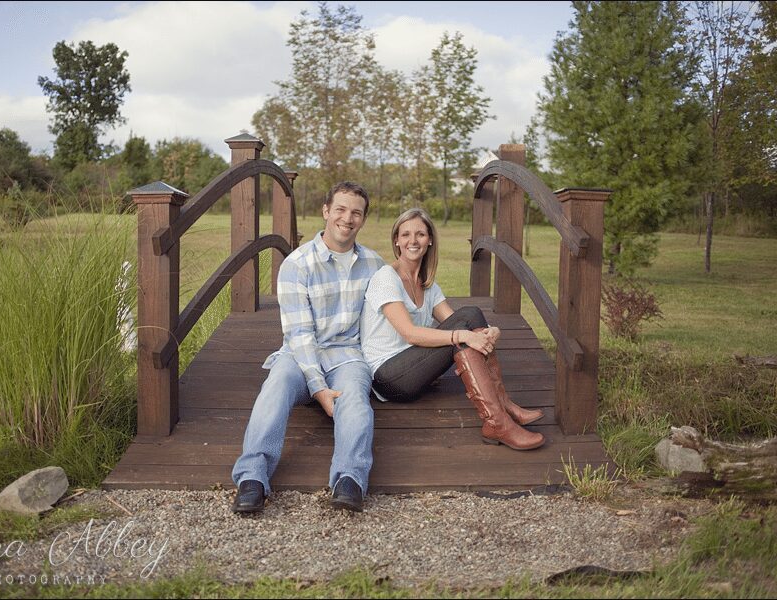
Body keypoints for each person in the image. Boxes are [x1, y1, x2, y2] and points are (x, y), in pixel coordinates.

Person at [231, 182, 385, 514]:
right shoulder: (297, 264)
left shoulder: (375, 264)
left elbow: (389, 315)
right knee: (277, 384)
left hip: (348, 357)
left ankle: (350, 479)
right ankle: (252, 478)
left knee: (356, 399)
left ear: (363, 219)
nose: (347, 218)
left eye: (356, 212)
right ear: (326, 211)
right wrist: (318, 387)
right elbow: (300, 335)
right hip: (300, 356)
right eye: (340, 210)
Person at [360, 208, 545, 450]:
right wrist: (465, 335)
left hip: (414, 368)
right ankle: (499, 418)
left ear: (430, 240)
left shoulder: (427, 285)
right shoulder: (386, 278)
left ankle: (501, 409)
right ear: (396, 240)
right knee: (465, 325)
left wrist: (490, 331)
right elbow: (410, 333)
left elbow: (458, 320)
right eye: (405, 235)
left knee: (470, 314)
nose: (412, 241)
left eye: (420, 234)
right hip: (389, 377)